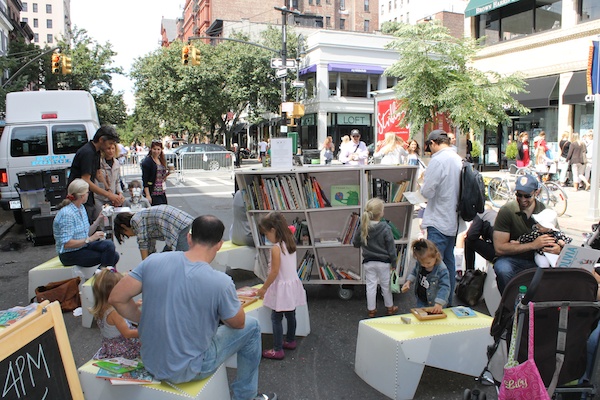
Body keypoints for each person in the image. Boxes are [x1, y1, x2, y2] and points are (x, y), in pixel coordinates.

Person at [109, 215, 277, 400]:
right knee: (252, 327)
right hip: (189, 368)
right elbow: (238, 323)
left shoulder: (153, 261)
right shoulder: (221, 282)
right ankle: (246, 396)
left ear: (189, 238)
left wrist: (143, 319)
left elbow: (117, 298)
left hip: (150, 360)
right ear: (219, 244)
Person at [492, 174, 561, 293]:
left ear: (537, 192)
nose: (523, 199)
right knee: (503, 269)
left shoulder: (546, 211)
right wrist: (533, 245)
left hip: (540, 259)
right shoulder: (507, 211)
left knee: (558, 274)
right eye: (519, 195)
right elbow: (499, 248)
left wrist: (558, 248)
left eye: (527, 196)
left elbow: (557, 236)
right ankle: (511, 306)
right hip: (513, 259)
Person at [256, 212, 307, 360]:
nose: (266, 238)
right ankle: (290, 340)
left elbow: (274, 272)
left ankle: (277, 349)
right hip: (292, 285)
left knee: (276, 318)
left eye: (266, 234)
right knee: (291, 314)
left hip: (282, 287)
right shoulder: (289, 241)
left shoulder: (276, 248)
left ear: (273, 230)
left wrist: (264, 288)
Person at [420, 129, 462, 303]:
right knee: (449, 264)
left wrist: (421, 186)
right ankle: (447, 301)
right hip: (453, 219)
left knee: (433, 264)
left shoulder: (438, 161)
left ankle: (433, 303)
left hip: (438, 218)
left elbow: (427, 191)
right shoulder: (458, 159)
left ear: (433, 143)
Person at [53, 179, 120, 269]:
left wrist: (98, 220)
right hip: (69, 254)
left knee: (109, 245)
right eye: (87, 192)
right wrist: (90, 239)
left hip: (82, 246)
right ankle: (101, 278)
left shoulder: (81, 208)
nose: (88, 194)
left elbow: (85, 233)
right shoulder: (67, 214)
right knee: (112, 256)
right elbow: (66, 244)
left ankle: (100, 275)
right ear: (82, 195)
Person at [352, 198, 398, 318]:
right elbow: (391, 248)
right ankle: (390, 308)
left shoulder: (363, 227)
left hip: (369, 262)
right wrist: (394, 263)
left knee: (371, 286)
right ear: (381, 213)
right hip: (384, 263)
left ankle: (371, 310)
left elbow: (355, 243)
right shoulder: (385, 228)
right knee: (385, 286)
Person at [69, 125, 123, 222]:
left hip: (87, 197)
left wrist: (108, 189)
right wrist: (109, 195)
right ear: (101, 140)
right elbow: (85, 180)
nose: (111, 146)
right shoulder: (88, 153)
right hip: (78, 196)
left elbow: (98, 173)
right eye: (109, 143)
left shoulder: (97, 152)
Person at [91, 267, 141, 360]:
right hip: (123, 347)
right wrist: (146, 332)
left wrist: (135, 306)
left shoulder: (103, 307)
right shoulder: (114, 313)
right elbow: (127, 333)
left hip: (111, 346)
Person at [113, 205, 194, 260]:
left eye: (125, 234)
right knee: (164, 259)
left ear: (123, 226)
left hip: (180, 228)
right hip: (180, 226)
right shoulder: (142, 219)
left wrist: (145, 269)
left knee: (182, 261)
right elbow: (150, 248)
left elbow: (143, 245)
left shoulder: (135, 220)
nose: (129, 236)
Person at [401, 239, 451, 314]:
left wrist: (439, 303)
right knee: (421, 318)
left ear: (436, 256)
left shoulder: (441, 270)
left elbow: (445, 287)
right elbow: (415, 271)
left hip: (435, 302)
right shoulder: (420, 263)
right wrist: (408, 281)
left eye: (428, 263)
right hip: (421, 299)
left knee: (434, 321)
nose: (425, 265)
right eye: (422, 263)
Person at [94, 142, 125, 215]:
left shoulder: (116, 163)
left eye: (113, 148)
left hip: (112, 197)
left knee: (113, 219)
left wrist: (120, 193)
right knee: (100, 220)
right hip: (100, 197)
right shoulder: (99, 162)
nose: (111, 151)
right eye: (108, 149)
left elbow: (117, 181)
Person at [141, 140, 170, 206]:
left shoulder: (161, 160)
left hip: (161, 191)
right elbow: (145, 180)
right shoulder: (147, 162)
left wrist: (169, 173)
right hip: (153, 192)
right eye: (154, 149)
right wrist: (148, 195)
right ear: (151, 149)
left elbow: (162, 178)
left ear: (161, 150)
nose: (156, 151)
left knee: (164, 210)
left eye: (158, 149)